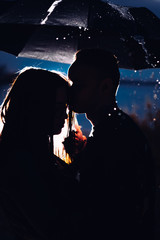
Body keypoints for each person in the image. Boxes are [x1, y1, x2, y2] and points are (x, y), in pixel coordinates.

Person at [67, 48, 155, 240]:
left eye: (78, 85)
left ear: (105, 87)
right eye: (70, 83)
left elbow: (103, 207)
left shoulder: (114, 135)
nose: (70, 92)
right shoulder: (117, 127)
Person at [0, 67, 70, 240]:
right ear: (37, 108)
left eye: (66, 108)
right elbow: (53, 226)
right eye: (58, 108)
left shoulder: (28, 156)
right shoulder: (18, 163)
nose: (66, 116)